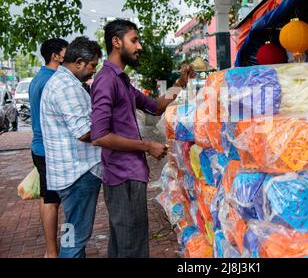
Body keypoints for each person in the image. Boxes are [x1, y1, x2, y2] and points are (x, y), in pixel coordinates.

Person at [91, 19, 194, 258]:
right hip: (122, 176)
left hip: (131, 174)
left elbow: (155, 107)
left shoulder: (121, 80)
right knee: (132, 249)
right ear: (117, 42)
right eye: (134, 40)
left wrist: (181, 83)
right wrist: (147, 145)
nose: (139, 47)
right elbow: (99, 135)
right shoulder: (106, 80)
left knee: (126, 246)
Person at [40, 37, 103, 258]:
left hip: (69, 175)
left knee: (72, 232)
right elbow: (84, 132)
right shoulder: (67, 87)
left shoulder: (62, 82)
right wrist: (110, 124)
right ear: (78, 62)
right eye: (92, 65)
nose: (94, 71)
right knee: (75, 241)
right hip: (79, 175)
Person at [29, 38, 68, 258]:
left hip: (39, 147)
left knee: (48, 198)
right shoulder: (51, 80)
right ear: (56, 56)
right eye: (66, 52)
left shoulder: (39, 78)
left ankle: (51, 250)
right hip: (48, 149)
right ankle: (52, 252)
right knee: (51, 200)